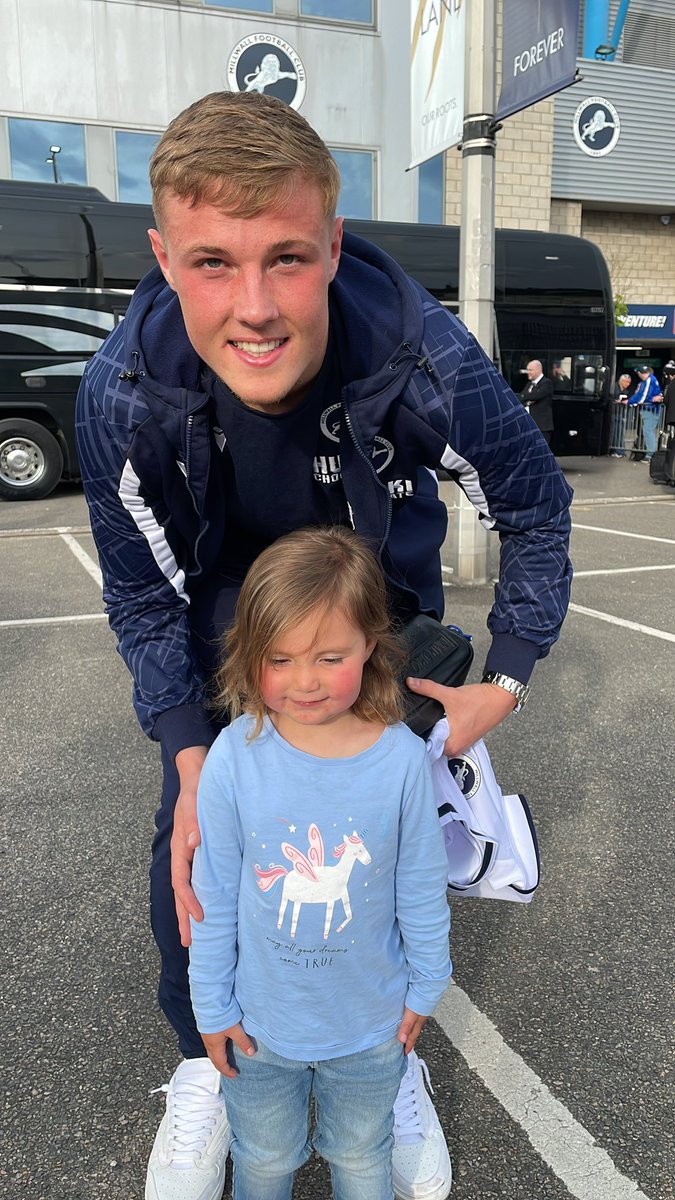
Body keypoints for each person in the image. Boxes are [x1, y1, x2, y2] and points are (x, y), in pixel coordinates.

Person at [75, 90, 573, 1200]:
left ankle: (382, 1058)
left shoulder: (426, 354)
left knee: (383, 841)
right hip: (223, 645)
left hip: (376, 637)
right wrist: (189, 755)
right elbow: (145, 602)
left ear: (334, 242)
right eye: (211, 263)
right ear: (160, 258)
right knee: (199, 849)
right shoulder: (119, 398)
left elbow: (538, 511)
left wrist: (505, 682)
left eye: (287, 259)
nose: (254, 307)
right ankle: (203, 1064)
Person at [189, 525, 452, 1200]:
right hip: (258, 1027)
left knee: (363, 1156)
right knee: (264, 1160)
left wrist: (427, 983)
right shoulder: (233, 758)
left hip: (370, 1025)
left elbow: (419, 883)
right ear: (249, 656)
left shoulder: (397, 760)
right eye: (279, 660)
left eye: (328, 656)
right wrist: (211, 1006)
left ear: (370, 643)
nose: (303, 682)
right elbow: (214, 893)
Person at [630, 365, 664, 463]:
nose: (639, 375)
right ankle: (650, 453)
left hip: (650, 409)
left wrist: (630, 402)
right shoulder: (648, 382)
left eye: (640, 373)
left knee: (648, 431)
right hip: (650, 409)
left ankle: (651, 455)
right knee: (648, 431)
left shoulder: (650, 381)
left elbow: (643, 397)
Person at [520, 360, 555, 444]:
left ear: (538, 370)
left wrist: (526, 397)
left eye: (530, 370)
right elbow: (521, 398)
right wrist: (527, 401)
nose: (528, 372)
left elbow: (536, 396)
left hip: (541, 427)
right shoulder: (529, 384)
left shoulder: (547, 383)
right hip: (528, 426)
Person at [609, 372, 633, 457]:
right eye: (626, 382)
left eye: (629, 382)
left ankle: (620, 450)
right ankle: (616, 450)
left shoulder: (626, 391)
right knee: (615, 432)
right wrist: (616, 401)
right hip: (613, 413)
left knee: (619, 432)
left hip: (620, 413)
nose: (628, 384)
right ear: (622, 381)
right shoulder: (614, 387)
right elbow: (610, 398)